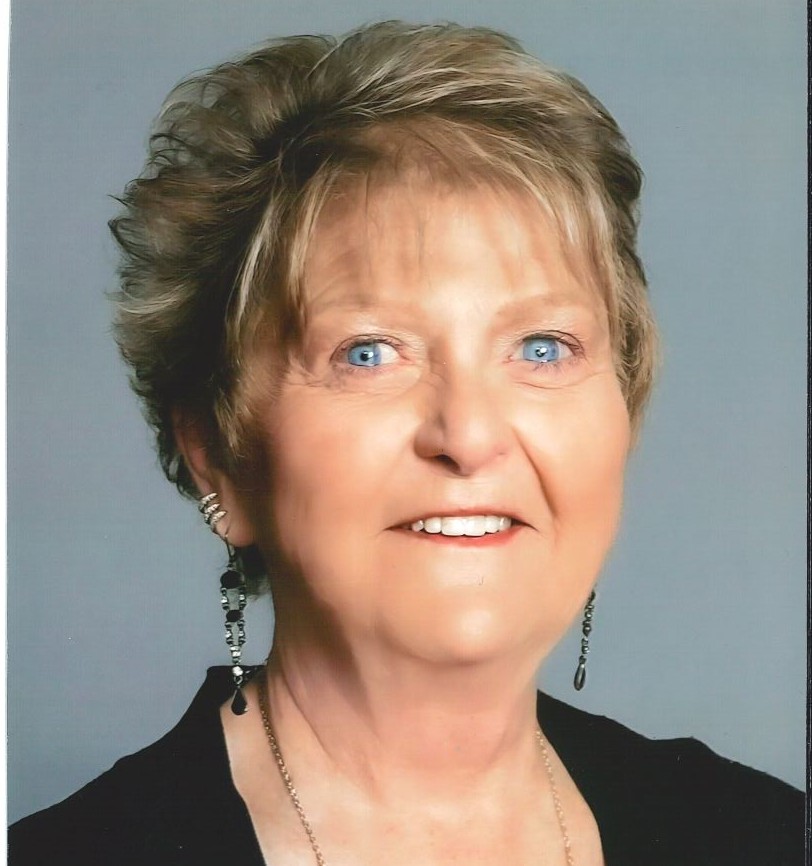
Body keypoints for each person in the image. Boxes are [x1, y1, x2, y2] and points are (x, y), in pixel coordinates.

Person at [9, 20, 802, 866]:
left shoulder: (763, 835)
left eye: (542, 348)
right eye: (368, 353)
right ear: (217, 453)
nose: (469, 435)